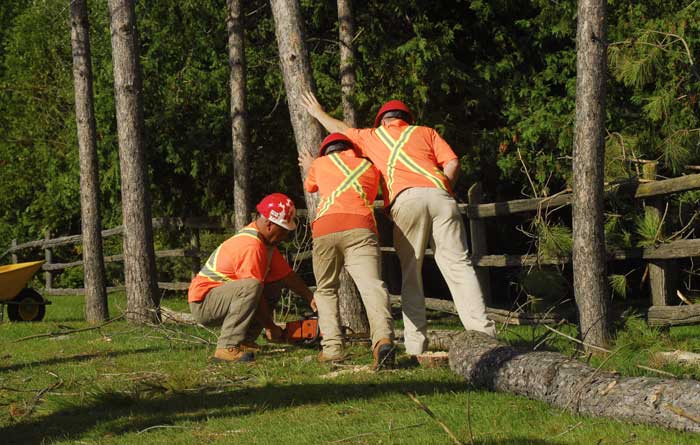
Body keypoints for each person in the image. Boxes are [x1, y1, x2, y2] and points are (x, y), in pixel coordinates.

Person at [301, 92, 495, 355]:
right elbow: (452, 162)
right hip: (441, 197)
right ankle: (484, 335)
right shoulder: (426, 132)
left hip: (406, 200)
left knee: (411, 273)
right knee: (459, 265)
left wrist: (317, 112)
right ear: (407, 119)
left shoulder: (374, 136)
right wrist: (443, 186)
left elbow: (342, 130)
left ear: (383, 121)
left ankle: (416, 345)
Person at [300, 133, 395, 369]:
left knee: (326, 290)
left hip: (325, 228)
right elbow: (372, 193)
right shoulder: (369, 167)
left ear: (325, 151)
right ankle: (383, 340)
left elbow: (310, 186)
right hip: (361, 227)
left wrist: (312, 165)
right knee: (372, 286)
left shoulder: (319, 163)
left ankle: (332, 349)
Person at [188, 193, 317, 363]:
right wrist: (270, 327)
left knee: (273, 286)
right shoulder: (252, 247)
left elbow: (287, 276)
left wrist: (310, 297)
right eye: (284, 230)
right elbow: (252, 292)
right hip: (204, 304)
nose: (285, 235)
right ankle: (227, 347)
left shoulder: (266, 244)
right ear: (270, 224)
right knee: (252, 287)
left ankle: (245, 341)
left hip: (221, 297)